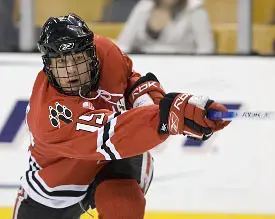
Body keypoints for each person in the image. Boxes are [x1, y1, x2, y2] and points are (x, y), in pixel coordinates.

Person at [12, 13, 229, 219]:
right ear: (48, 67)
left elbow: (131, 81)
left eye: (76, 59)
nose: (70, 71)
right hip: (56, 184)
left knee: (123, 204)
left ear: (91, 55)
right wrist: (167, 117)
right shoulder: (49, 115)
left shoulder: (105, 52)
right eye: (60, 63)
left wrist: (149, 103)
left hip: (114, 163)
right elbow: (112, 135)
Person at [116, 0, 215, 54]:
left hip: (183, 68)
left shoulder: (195, 11)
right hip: (146, 69)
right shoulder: (144, 7)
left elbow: (206, 50)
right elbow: (123, 45)